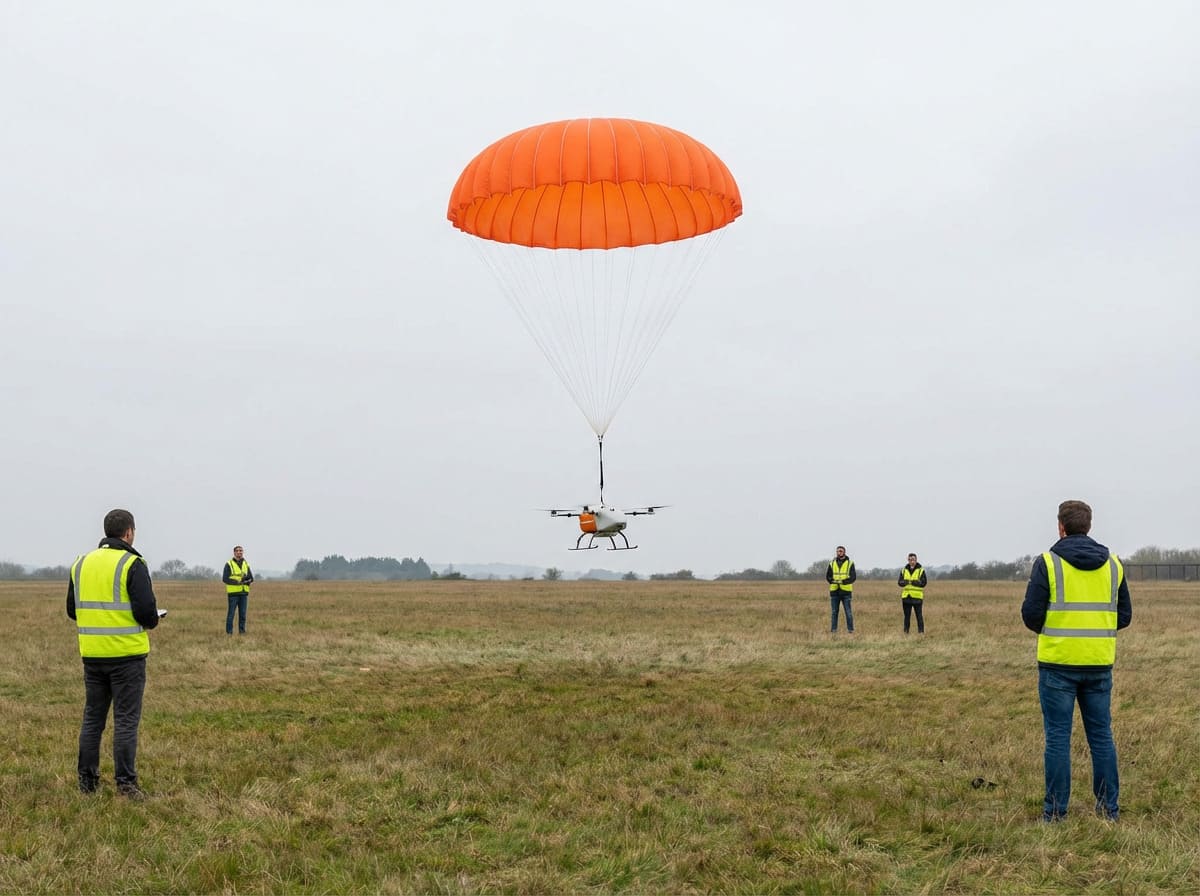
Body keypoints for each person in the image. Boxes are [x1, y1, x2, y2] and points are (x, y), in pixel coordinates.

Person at [1022, 499, 1132, 822]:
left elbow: (1030, 614)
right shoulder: (1114, 565)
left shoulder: (1047, 563)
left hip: (1057, 665)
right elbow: (1123, 615)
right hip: (1099, 665)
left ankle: (1055, 813)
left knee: (1058, 738)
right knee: (1101, 737)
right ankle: (1108, 811)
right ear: (1089, 526)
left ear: (1061, 526)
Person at [66, 508, 160, 800]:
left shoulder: (81, 563)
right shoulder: (133, 562)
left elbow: (73, 610)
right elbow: (147, 613)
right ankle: (126, 784)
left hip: (92, 656)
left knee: (93, 719)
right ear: (129, 532)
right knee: (126, 721)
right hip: (126, 657)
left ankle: (87, 782)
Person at [222, 545, 254, 635]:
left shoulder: (246, 564)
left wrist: (247, 581)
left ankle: (242, 632)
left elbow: (251, 578)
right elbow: (225, 579)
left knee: (243, 615)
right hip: (233, 594)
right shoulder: (229, 564)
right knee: (231, 615)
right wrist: (238, 582)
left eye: (241, 551)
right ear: (234, 552)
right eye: (237, 551)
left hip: (244, 593)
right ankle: (229, 633)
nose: (239, 552)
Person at [826, 545, 856, 633]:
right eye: (838, 551)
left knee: (848, 612)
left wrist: (844, 582)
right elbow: (828, 576)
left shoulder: (850, 563)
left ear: (844, 552)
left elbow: (853, 577)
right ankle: (833, 630)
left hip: (846, 591)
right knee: (834, 612)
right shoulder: (832, 563)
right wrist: (832, 581)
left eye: (841, 551)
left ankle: (850, 630)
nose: (839, 552)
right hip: (834, 591)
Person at [897, 552, 928, 634]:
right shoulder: (903, 570)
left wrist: (915, 582)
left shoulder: (921, 570)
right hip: (906, 597)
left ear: (916, 560)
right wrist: (905, 582)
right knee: (906, 617)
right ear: (908, 560)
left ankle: (921, 633)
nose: (911, 561)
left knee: (919, 616)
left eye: (913, 559)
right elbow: (899, 582)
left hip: (917, 598)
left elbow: (924, 583)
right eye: (910, 560)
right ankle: (906, 633)